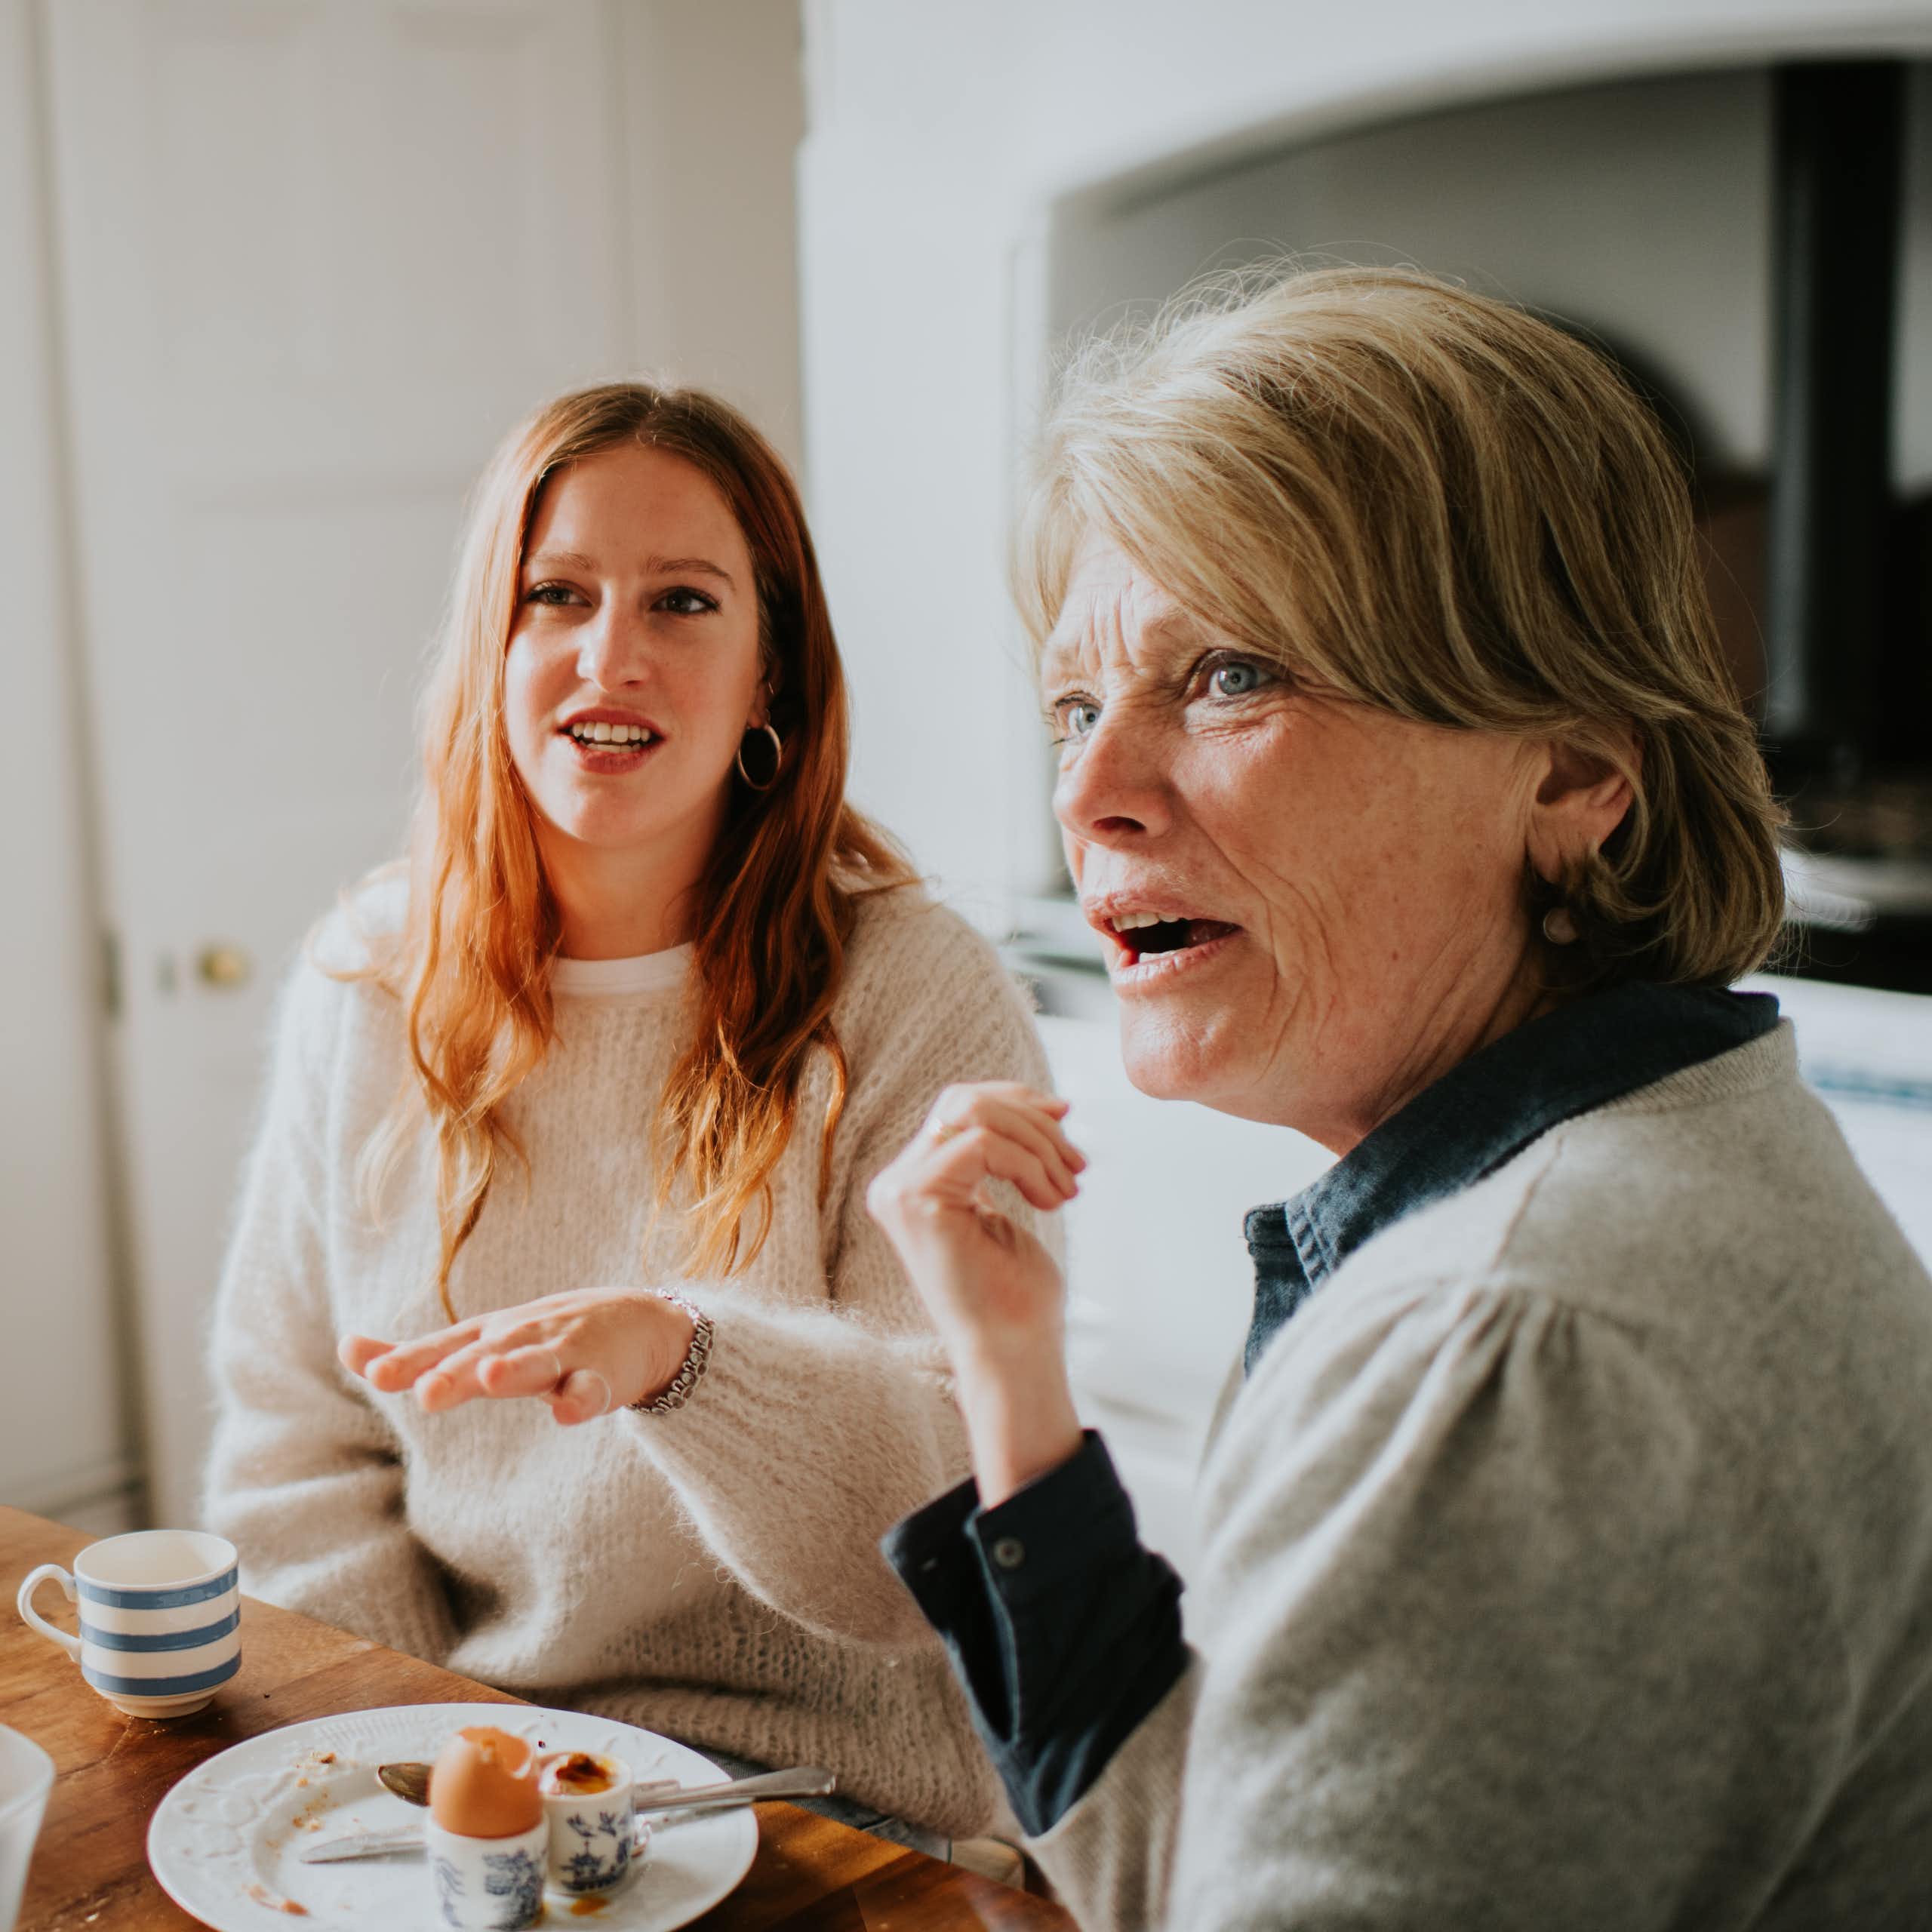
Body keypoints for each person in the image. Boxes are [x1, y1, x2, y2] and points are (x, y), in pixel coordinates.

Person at [863, 266, 1932, 1925]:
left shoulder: (1510, 1350)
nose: (1087, 790)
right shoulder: (1666, 1147)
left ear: (1575, 768)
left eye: (1227, 674)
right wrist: (1012, 1374)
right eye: (1076, 702)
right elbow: (1181, 1859)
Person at [202, 381, 1051, 1849]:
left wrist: (688, 1361)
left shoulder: (917, 991)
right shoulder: (366, 989)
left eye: (681, 599)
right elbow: (294, 1447)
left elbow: (936, 1529)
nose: (611, 652)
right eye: (557, 593)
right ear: (494, 642)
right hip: (465, 1781)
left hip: (837, 1800)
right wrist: (430, 1751)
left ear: (770, 668)